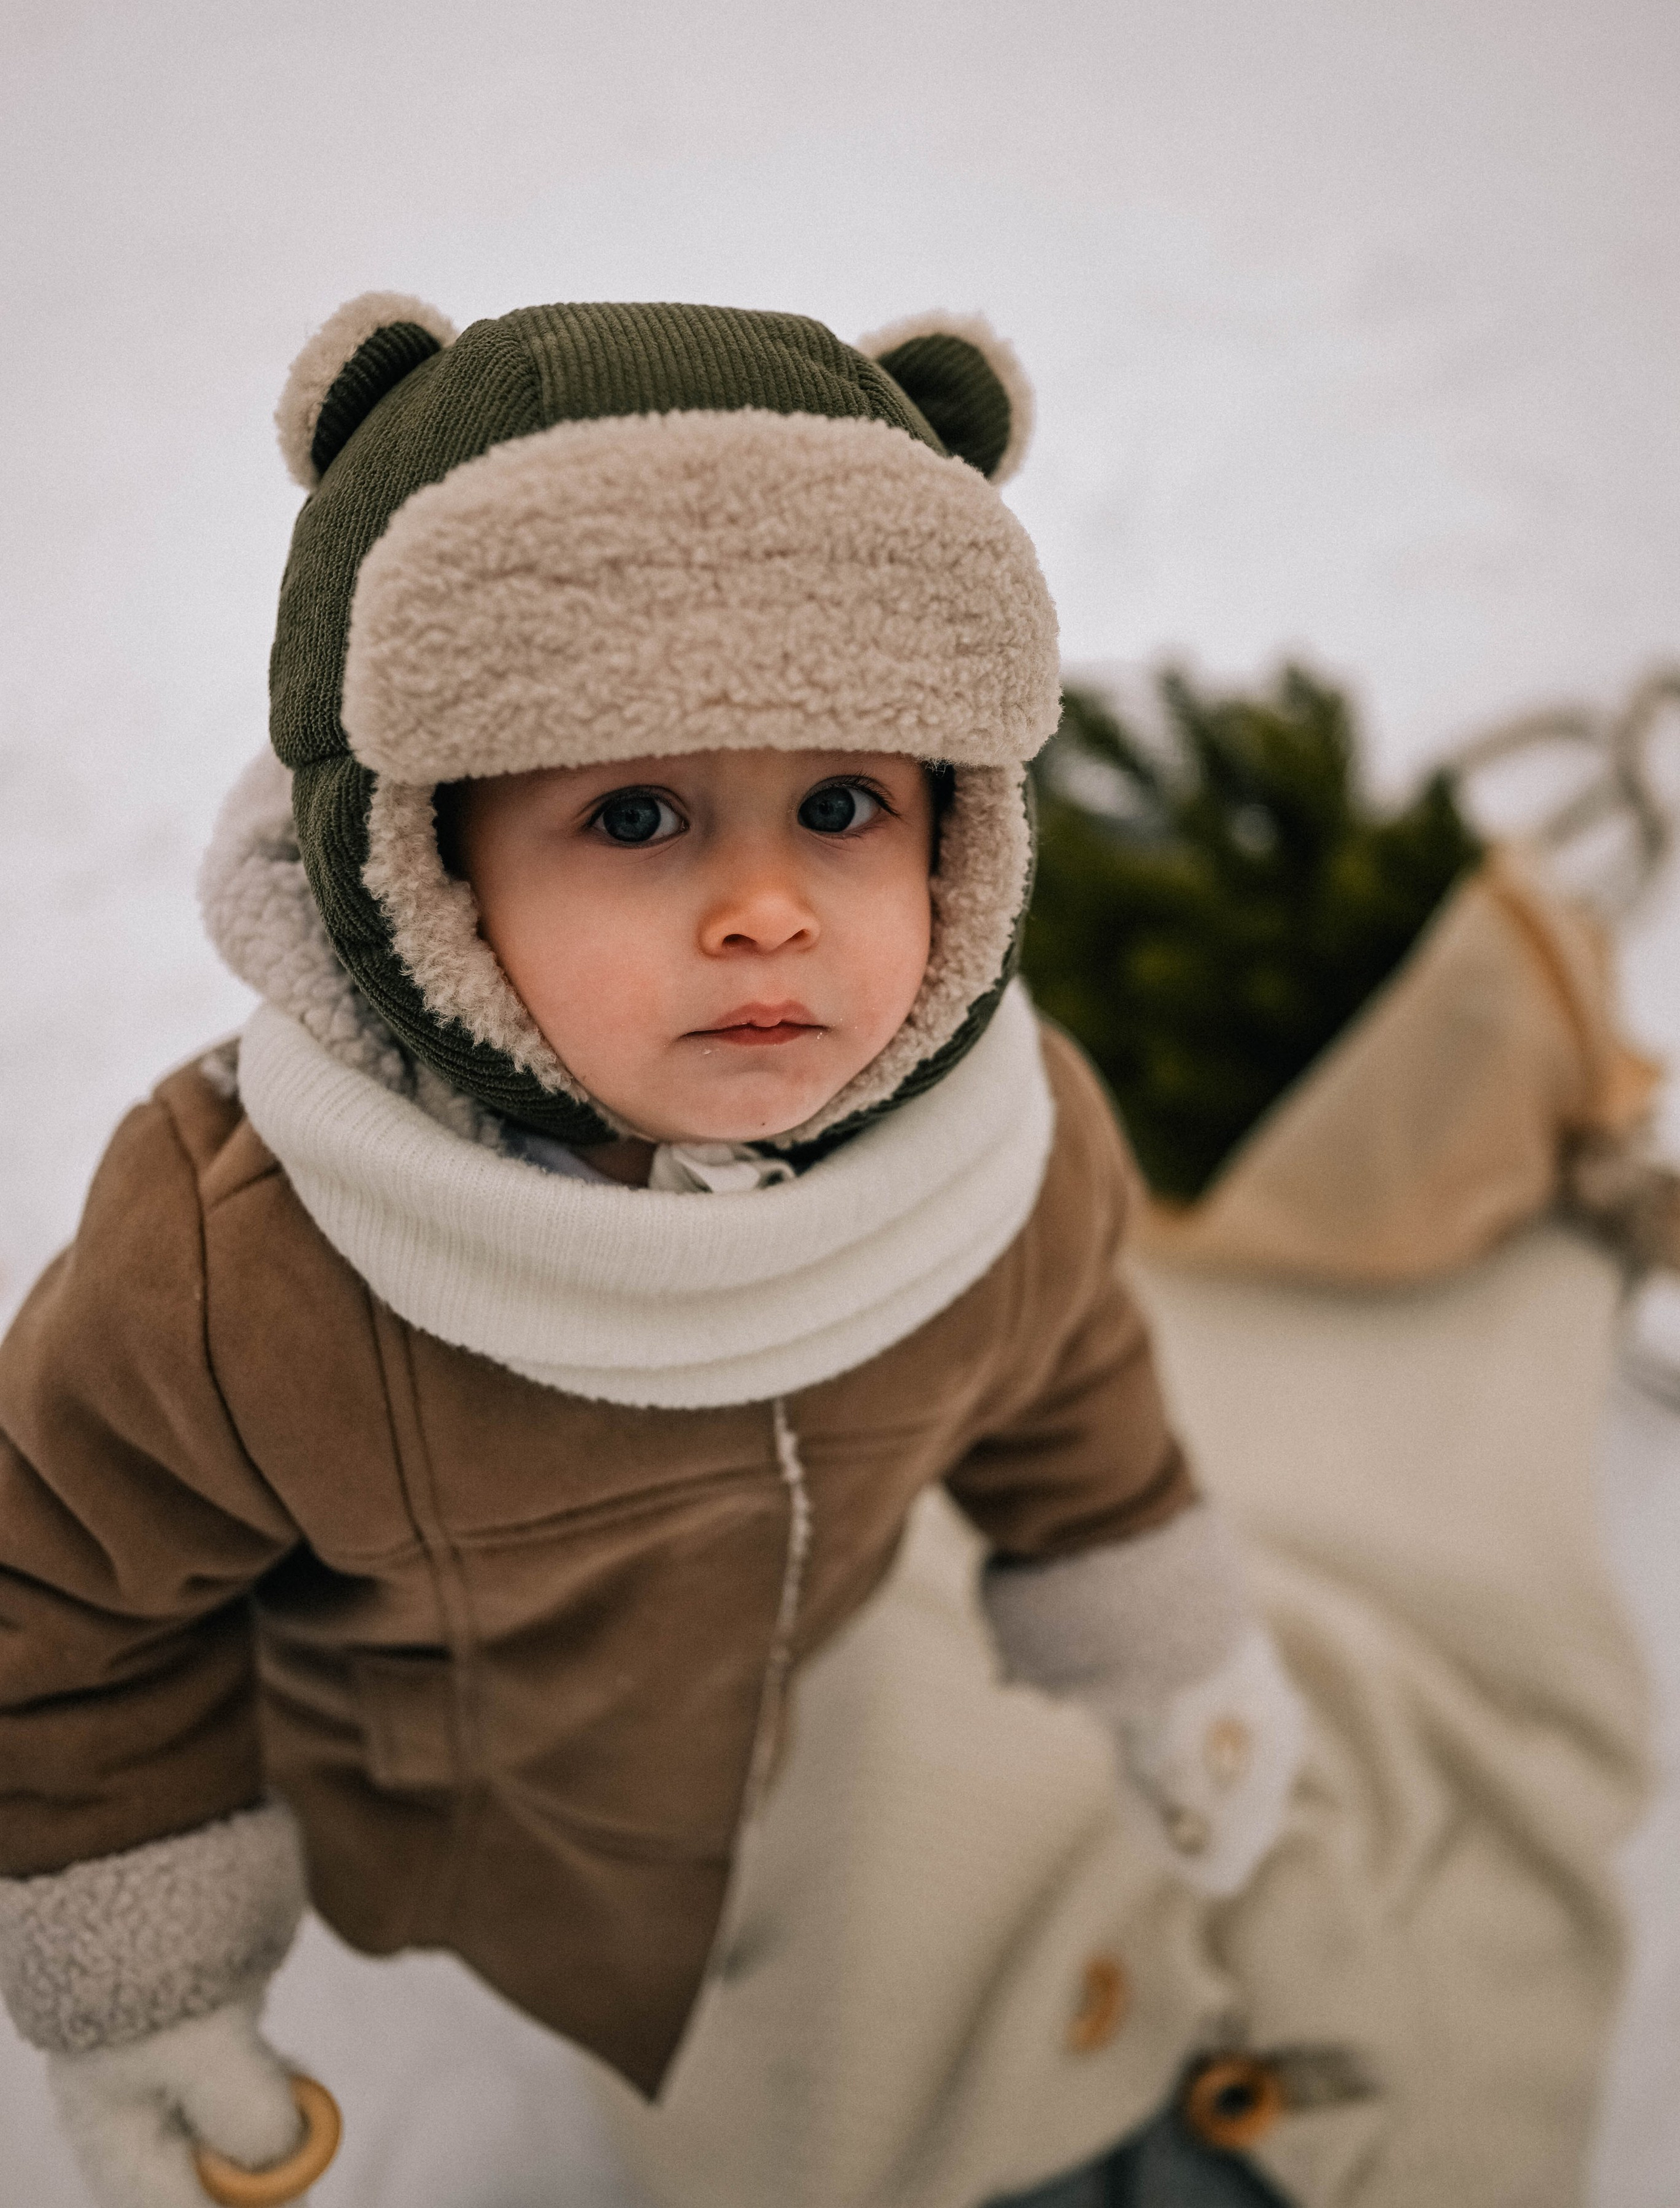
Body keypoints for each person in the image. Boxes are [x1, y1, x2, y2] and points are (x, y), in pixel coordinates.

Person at [0, 295, 1304, 2208]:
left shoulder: (1002, 1148)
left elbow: (1063, 1364)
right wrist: (152, 1977)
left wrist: (1154, 1633)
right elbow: (63, 1592)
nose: (767, 908)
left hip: (798, 1718)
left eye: (843, 804)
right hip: (435, 1833)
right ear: (425, 866)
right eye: (634, 811)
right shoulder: (253, 1263)